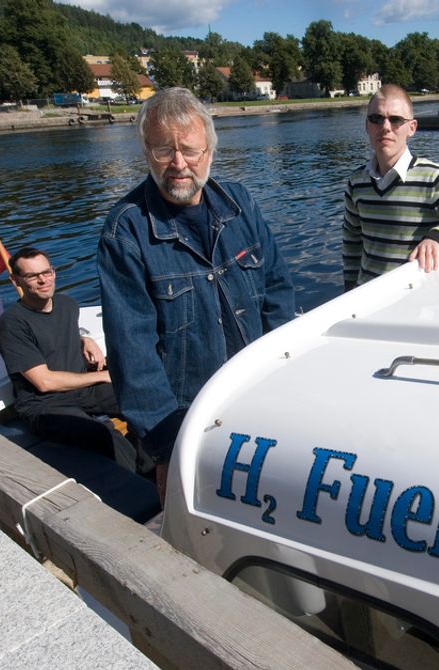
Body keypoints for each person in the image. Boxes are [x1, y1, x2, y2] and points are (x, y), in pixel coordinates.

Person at [98, 87, 295, 500]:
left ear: (210, 150)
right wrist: (168, 448)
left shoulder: (240, 203)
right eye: (163, 151)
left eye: (190, 150)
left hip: (260, 398)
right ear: (145, 151)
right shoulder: (127, 231)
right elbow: (132, 351)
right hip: (187, 422)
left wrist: (286, 378)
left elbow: (277, 291)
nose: (179, 164)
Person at [0, 247, 138, 471]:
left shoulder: (67, 305)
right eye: (32, 276)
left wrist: (83, 340)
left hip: (82, 391)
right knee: (103, 434)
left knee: (142, 402)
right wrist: (101, 376)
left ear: (54, 272)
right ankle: (141, 492)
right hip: (43, 404)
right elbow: (44, 382)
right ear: (16, 281)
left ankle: (154, 469)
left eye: (46, 272)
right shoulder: (11, 324)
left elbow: (52, 334)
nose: (42, 280)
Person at [342, 84, 439, 290]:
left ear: (412, 128)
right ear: (367, 125)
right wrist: (349, 292)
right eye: (376, 119)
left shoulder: (434, 178)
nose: (385, 127)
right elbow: (352, 243)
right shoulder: (356, 182)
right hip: (367, 299)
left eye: (396, 120)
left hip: (413, 299)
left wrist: (437, 238)